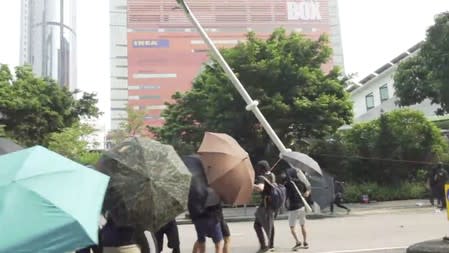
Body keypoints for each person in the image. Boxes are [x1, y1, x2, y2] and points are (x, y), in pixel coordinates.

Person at [282, 167, 311, 250]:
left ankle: (298, 242)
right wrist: (307, 192)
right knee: (303, 225)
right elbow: (307, 191)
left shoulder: (288, 183)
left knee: (292, 227)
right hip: (301, 206)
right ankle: (305, 243)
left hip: (293, 208)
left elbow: (284, 190)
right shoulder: (301, 183)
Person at [191, 188, 224, 253]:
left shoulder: (197, 185)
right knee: (219, 243)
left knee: (201, 241)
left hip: (199, 218)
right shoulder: (213, 188)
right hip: (212, 217)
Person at [253, 160, 276, 253]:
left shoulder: (261, 177)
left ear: (261, 168)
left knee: (257, 225)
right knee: (271, 224)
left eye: (258, 168)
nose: (257, 169)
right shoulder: (272, 175)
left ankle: (264, 246)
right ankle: (271, 245)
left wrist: (251, 184)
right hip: (272, 204)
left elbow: (260, 188)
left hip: (265, 205)